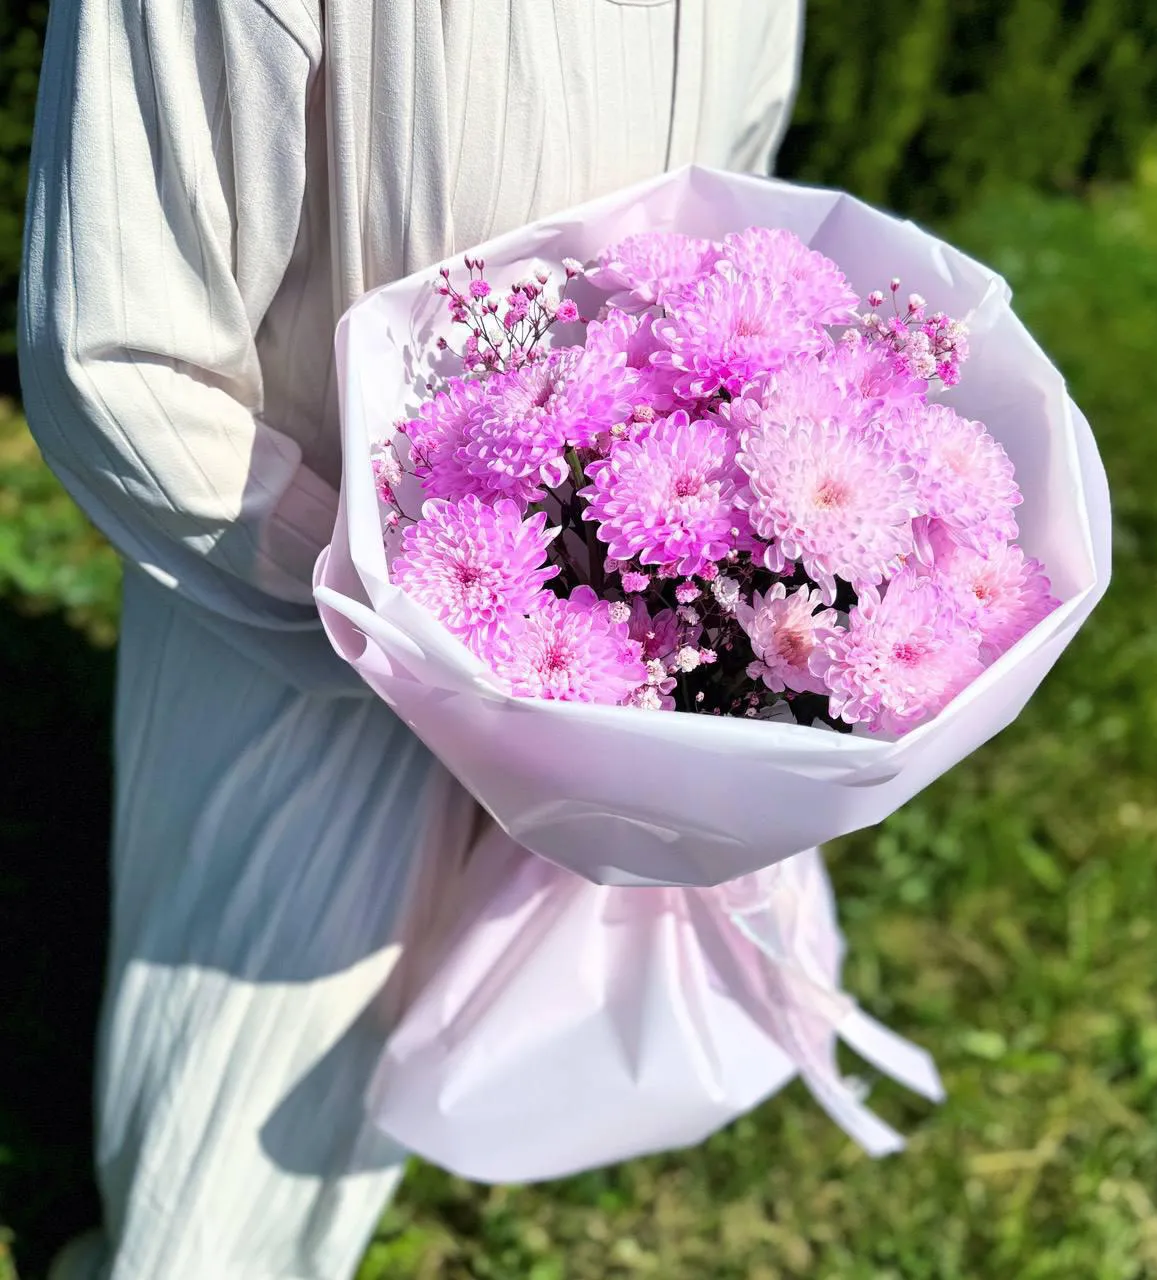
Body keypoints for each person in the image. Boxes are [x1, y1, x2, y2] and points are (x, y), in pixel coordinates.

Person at [19, 2, 804, 1276]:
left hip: (621, 636)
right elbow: (120, 363)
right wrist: (389, 617)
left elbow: (734, 200)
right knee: (244, 1110)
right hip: (287, 615)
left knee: (456, 1003)